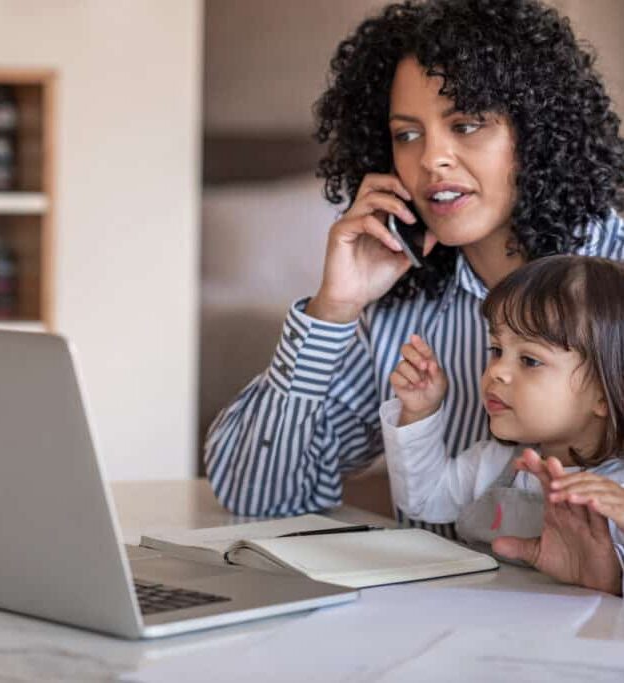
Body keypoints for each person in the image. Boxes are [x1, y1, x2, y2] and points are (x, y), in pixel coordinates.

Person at [205, 0, 624, 520]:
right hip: (442, 601)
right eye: (407, 135)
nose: (430, 159)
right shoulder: (400, 314)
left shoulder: (617, 273)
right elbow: (258, 496)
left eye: (466, 125)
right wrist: (333, 308)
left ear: (537, 132)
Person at [381, 255, 624, 594]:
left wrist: (609, 581)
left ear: (604, 392)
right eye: (496, 349)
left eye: (529, 360)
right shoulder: (495, 463)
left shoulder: (618, 498)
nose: (496, 370)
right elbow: (424, 499)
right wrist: (419, 413)